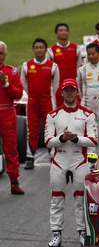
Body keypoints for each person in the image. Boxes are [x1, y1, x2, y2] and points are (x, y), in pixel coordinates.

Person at [45, 78, 98, 247]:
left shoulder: (88, 114)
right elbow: (48, 141)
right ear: (61, 93)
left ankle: (82, 232)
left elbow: (93, 140)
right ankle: (56, 233)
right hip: (59, 159)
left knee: (80, 199)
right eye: (66, 90)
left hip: (79, 159)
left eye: (72, 90)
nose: (69, 93)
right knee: (56, 198)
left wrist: (75, 138)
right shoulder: (52, 115)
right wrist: (62, 138)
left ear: (77, 92)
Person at [20, 38, 59, 170]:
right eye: (37, 47)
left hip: (48, 101)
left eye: (41, 47)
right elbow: (24, 85)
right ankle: (30, 158)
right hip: (32, 103)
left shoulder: (53, 66)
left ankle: (53, 156)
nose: (39, 50)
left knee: (50, 130)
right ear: (33, 50)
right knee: (32, 131)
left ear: (46, 50)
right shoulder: (26, 65)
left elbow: (56, 86)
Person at [0, 42, 25, 194]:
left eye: (1, 53)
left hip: (7, 112)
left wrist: (6, 84)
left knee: (11, 148)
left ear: (5, 54)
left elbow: (19, 94)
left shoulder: (12, 72)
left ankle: (14, 181)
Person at [77, 43, 99, 152]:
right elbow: (79, 88)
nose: (91, 56)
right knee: (89, 131)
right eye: (88, 54)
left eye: (93, 54)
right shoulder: (82, 70)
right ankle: (90, 158)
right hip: (87, 104)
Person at [48, 22, 81, 106]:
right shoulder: (51, 51)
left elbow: (78, 67)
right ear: (56, 34)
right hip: (59, 89)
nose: (64, 32)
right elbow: (50, 72)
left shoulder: (76, 48)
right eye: (61, 30)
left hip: (73, 87)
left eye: (66, 30)